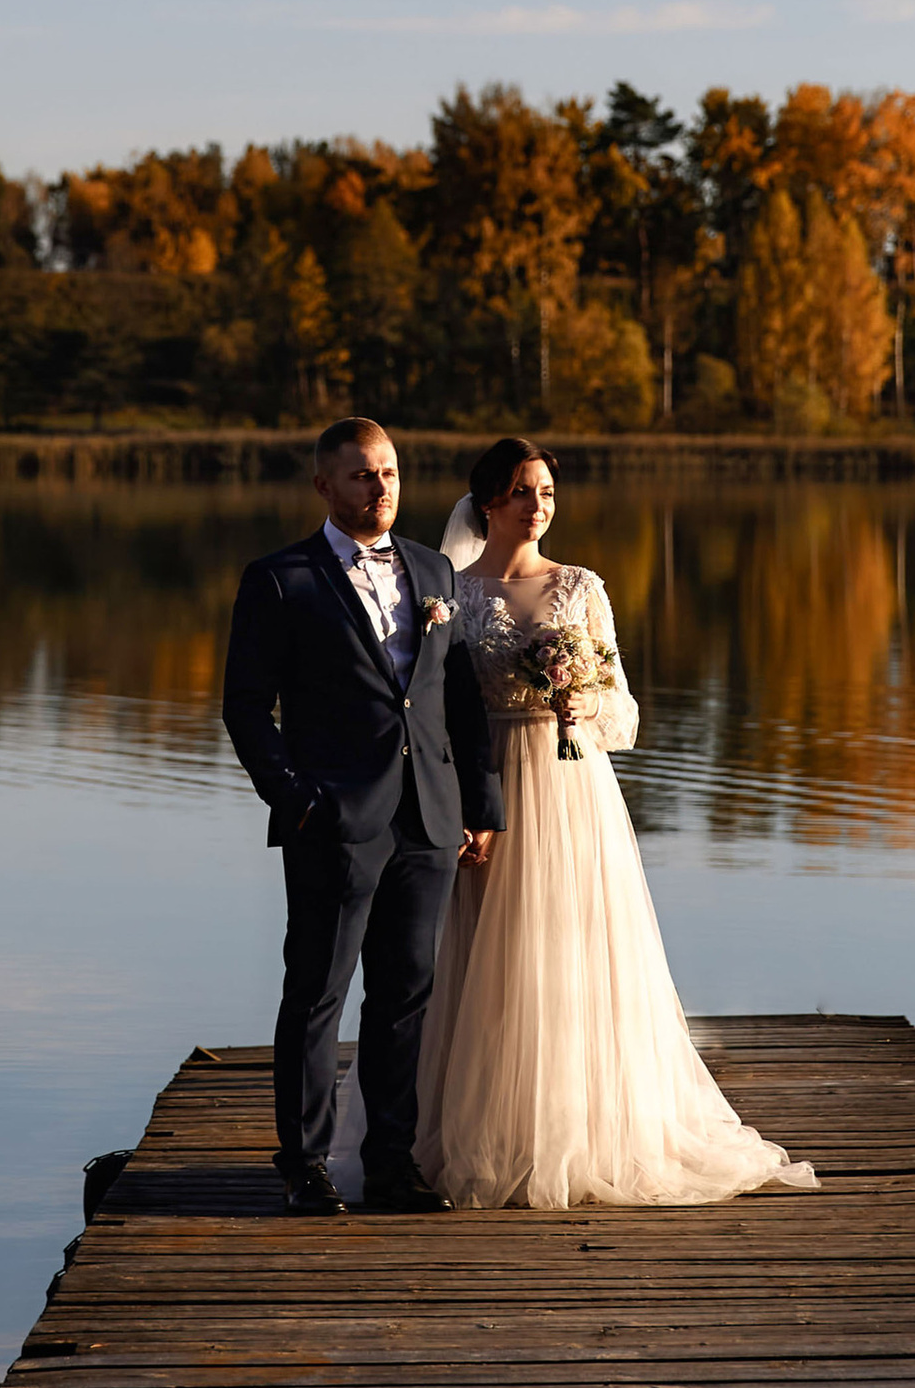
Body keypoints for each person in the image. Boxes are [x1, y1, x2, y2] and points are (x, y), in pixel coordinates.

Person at [417, 435, 814, 1210]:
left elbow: (627, 714)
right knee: (491, 952)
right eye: (524, 493)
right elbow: (431, 710)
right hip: (486, 785)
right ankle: (491, 1130)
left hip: (570, 790)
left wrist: (584, 702)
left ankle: (579, 1132)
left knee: (569, 949)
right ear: (487, 502)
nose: (539, 508)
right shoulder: (449, 595)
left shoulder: (580, 588)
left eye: (549, 494)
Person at [220, 417, 499, 1216]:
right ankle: (304, 1168)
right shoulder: (280, 578)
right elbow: (246, 708)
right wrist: (297, 799)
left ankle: (392, 1166)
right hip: (333, 820)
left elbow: (457, 702)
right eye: (363, 477)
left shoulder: (433, 567)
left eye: (390, 474)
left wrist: (481, 807)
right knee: (316, 995)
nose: (381, 489)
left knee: (405, 997)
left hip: (428, 822)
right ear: (324, 486)